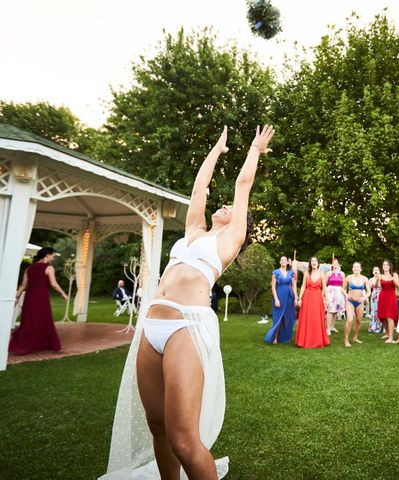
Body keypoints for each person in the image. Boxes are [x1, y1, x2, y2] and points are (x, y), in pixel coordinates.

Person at [100, 125, 275, 480]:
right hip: (153, 324)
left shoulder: (229, 240)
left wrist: (255, 148)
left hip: (188, 325)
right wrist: (216, 150)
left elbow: (242, 187)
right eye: (222, 206)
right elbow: (199, 188)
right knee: (157, 427)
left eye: (229, 209)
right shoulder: (194, 232)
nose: (223, 206)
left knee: (183, 440)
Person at [9, 247, 68, 355]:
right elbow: (54, 284)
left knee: (28, 320)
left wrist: (16, 297)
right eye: (53, 256)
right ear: (47, 255)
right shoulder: (49, 268)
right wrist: (63, 293)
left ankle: (25, 345)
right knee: (46, 319)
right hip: (41, 296)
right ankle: (56, 347)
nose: (53, 258)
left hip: (30, 297)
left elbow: (23, 285)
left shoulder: (29, 269)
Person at [295, 257, 330, 348]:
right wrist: (300, 298)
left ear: (318, 263)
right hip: (307, 297)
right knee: (307, 318)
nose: (314, 262)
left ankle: (317, 340)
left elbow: (325, 288)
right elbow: (303, 286)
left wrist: (327, 300)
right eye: (312, 261)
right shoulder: (306, 273)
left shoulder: (322, 274)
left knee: (317, 318)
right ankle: (305, 340)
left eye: (315, 261)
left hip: (318, 298)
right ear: (310, 263)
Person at [264, 256, 298, 344]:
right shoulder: (275, 272)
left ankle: (285, 337)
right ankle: (274, 337)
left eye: (285, 260)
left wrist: (296, 297)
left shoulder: (291, 273)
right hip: (279, 296)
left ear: (287, 262)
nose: (283, 261)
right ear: (280, 262)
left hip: (289, 297)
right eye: (282, 260)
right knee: (278, 318)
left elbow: (294, 286)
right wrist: (276, 299)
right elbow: (273, 287)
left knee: (288, 318)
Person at [342, 262, 371, 347]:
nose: (356, 268)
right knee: (350, 319)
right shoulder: (348, 278)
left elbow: (369, 291)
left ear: (361, 269)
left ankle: (355, 337)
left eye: (358, 267)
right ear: (352, 269)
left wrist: (365, 297)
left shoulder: (365, 279)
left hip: (360, 302)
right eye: (354, 267)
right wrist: (346, 295)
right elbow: (343, 288)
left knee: (358, 321)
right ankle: (346, 340)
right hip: (350, 301)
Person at [375, 259, 399, 344]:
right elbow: (375, 286)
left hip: (391, 297)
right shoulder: (380, 275)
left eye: (387, 265)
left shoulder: (394, 274)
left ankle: (391, 337)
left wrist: (392, 279)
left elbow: (398, 286)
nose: (385, 266)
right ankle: (386, 333)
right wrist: (377, 279)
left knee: (390, 316)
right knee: (383, 317)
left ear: (390, 266)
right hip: (382, 297)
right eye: (383, 265)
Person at [325, 258, 345, 335]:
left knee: (336, 311)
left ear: (338, 264)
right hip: (330, 292)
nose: (335, 264)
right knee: (330, 310)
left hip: (339, 292)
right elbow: (325, 284)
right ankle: (328, 328)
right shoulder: (329, 273)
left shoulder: (342, 274)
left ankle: (332, 327)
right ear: (332, 265)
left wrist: (344, 295)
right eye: (334, 263)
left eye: (336, 262)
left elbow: (343, 286)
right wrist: (324, 294)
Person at [368, 266, 382, 333]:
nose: (376, 271)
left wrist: (378, 279)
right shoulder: (370, 279)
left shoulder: (381, 278)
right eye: (374, 270)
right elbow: (372, 287)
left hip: (381, 295)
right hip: (374, 296)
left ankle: (380, 327)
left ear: (379, 271)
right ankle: (373, 326)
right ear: (373, 272)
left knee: (379, 310)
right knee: (373, 311)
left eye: (377, 270)